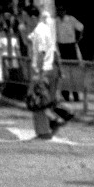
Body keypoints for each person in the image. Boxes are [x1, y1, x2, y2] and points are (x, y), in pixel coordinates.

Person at [27, 8, 70, 136]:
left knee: (38, 100)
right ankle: (54, 122)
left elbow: (41, 52)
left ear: (33, 17)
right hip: (51, 69)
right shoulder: (45, 31)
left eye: (25, 17)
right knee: (48, 99)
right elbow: (54, 51)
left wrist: (38, 73)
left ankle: (54, 119)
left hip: (44, 70)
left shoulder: (40, 32)